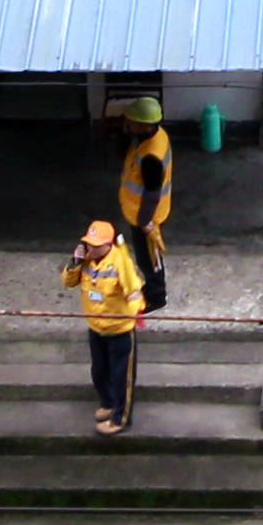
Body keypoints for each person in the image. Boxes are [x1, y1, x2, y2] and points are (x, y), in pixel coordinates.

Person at [62, 218, 148, 434]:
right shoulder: (87, 260)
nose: (91, 247)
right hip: (96, 327)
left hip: (119, 331)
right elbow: (68, 282)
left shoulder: (121, 263)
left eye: (96, 244)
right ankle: (107, 404)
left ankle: (120, 418)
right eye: (88, 243)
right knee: (99, 371)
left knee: (121, 377)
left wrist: (133, 314)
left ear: (108, 245)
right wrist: (75, 261)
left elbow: (135, 293)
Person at [113, 98, 174, 315]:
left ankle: (156, 297)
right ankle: (151, 289)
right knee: (146, 256)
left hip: (145, 215)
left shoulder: (151, 157)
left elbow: (151, 192)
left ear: (146, 125)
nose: (128, 122)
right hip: (138, 211)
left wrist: (145, 221)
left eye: (133, 121)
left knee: (149, 258)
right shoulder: (150, 135)